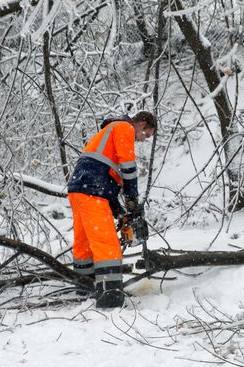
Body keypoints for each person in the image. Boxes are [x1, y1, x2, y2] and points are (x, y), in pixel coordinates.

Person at [67, 111, 157, 308]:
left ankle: (85, 288)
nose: (143, 140)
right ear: (141, 124)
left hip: (79, 189)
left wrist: (118, 210)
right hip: (93, 191)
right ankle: (110, 295)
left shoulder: (109, 131)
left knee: (84, 243)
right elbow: (128, 166)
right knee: (107, 243)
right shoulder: (124, 127)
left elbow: (105, 176)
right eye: (146, 135)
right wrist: (132, 197)